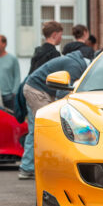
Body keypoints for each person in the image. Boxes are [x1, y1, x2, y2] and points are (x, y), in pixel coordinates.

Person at [18, 50, 91, 179]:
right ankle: (33, 168)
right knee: (46, 128)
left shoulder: (75, 62)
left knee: (36, 130)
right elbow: (62, 94)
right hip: (37, 91)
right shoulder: (75, 66)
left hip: (32, 87)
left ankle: (27, 167)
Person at [0, 34, 21, 110]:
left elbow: (17, 76)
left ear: (4, 44)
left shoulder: (12, 59)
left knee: (11, 119)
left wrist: (14, 92)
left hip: (9, 95)